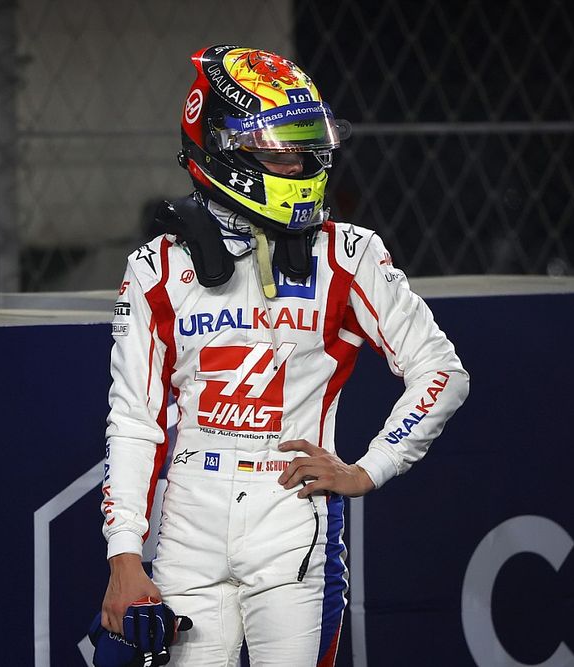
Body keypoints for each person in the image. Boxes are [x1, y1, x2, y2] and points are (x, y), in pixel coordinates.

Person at [100, 44, 470, 666]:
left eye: (302, 145)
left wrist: (368, 469)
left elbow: (443, 372)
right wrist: (123, 557)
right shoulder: (155, 267)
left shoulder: (349, 253)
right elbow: (135, 421)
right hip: (188, 520)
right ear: (221, 145)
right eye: (276, 145)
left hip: (294, 519)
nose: (297, 161)